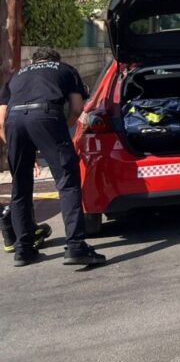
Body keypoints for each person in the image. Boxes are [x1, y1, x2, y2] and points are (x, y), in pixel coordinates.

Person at [0, 48, 105, 267]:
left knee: (20, 186)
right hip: (46, 115)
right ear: (55, 60)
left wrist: (20, 147)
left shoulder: (16, 76)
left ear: (33, 61)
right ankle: (76, 246)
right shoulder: (65, 69)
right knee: (68, 182)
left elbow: (1, 120)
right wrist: (59, 133)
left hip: (14, 122)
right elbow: (77, 108)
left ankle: (24, 250)